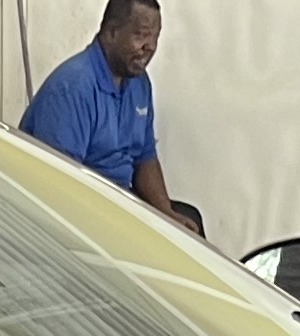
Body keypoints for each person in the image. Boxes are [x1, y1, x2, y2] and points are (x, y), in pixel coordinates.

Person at [20, 0, 190, 233]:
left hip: (119, 199)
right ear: (112, 32)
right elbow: (59, 185)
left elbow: (145, 157)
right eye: (141, 35)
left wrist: (166, 212)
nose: (150, 47)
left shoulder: (139, 83)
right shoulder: (73, 87)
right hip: (79, 210)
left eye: (155, 38)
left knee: (188, 224)